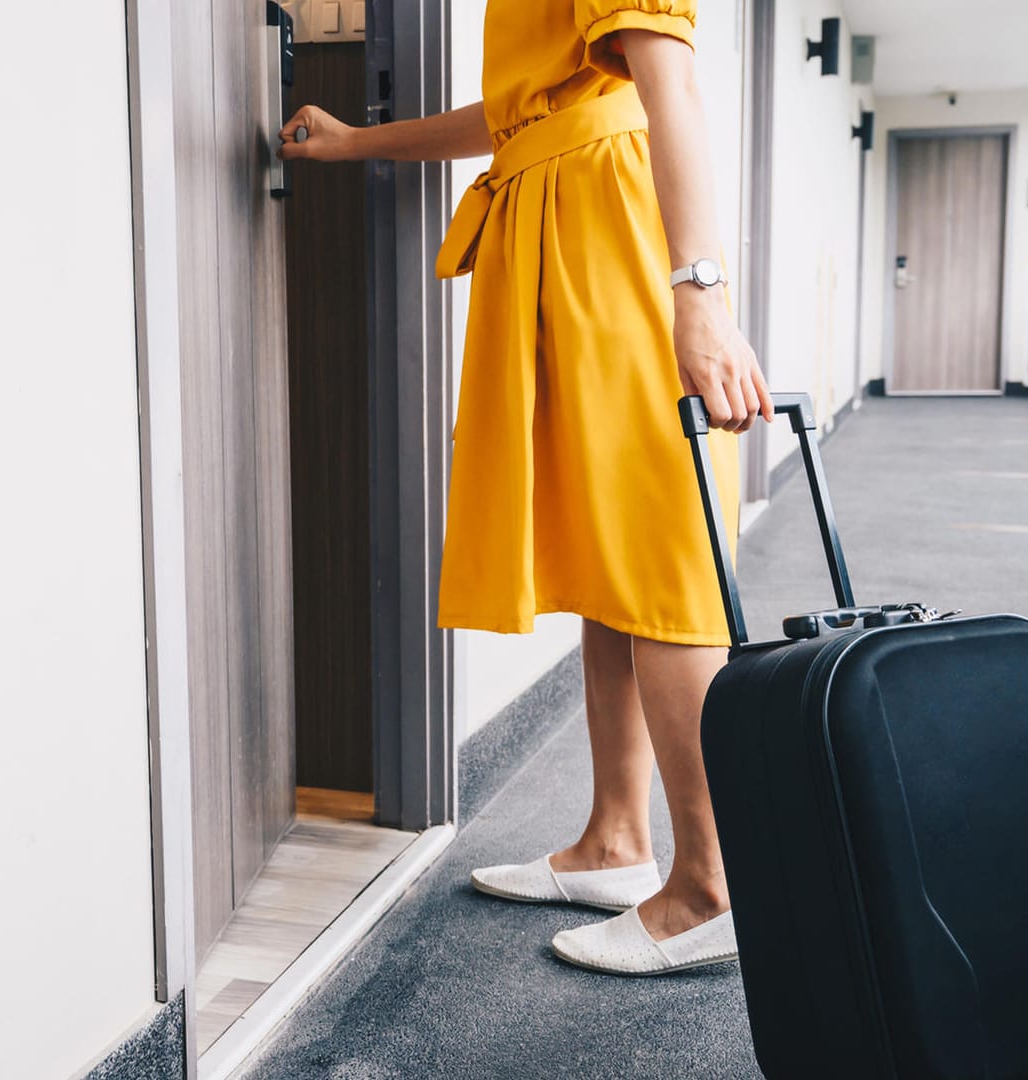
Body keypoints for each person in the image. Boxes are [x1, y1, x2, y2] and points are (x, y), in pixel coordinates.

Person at [279, 0, 771, 976]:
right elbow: (514, 116)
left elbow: (666, 75)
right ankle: (615, 844)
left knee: (661, 541)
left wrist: (701, 290)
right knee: (605, 551)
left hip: (616, 231)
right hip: (558, 223)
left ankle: (713, 886)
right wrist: (354, 142)